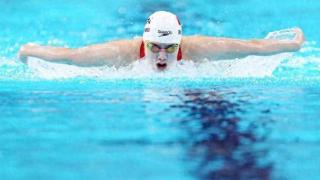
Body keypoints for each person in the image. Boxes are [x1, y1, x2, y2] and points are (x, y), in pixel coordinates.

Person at [19, 11, 304, 71]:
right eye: (155, 46)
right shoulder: (118, 54)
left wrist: (292, 45)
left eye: (170, 49)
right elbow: (69, 55)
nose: (161, 57)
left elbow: (252, 47)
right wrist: (30, 51)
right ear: (144, 42)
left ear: (181, 43)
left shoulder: (200, 48)